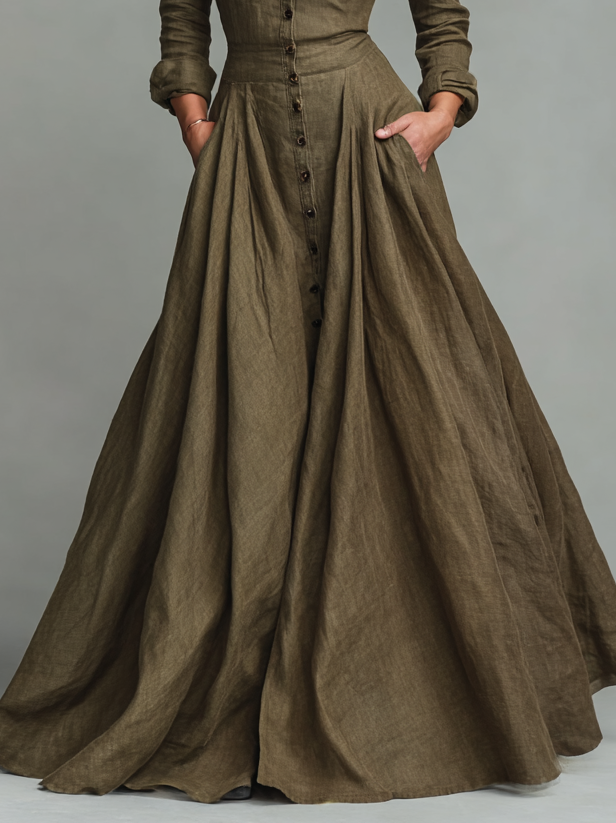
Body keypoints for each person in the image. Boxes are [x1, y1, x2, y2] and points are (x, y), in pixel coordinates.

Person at [1, 0, 616, 807]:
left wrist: (441, 113)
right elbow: (183, 22)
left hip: (369, 146)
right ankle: (235, 698)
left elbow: (442, 17)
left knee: (424, 402)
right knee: (240, 409)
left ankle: (430, 696)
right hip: (247, 152)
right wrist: (196, 122)